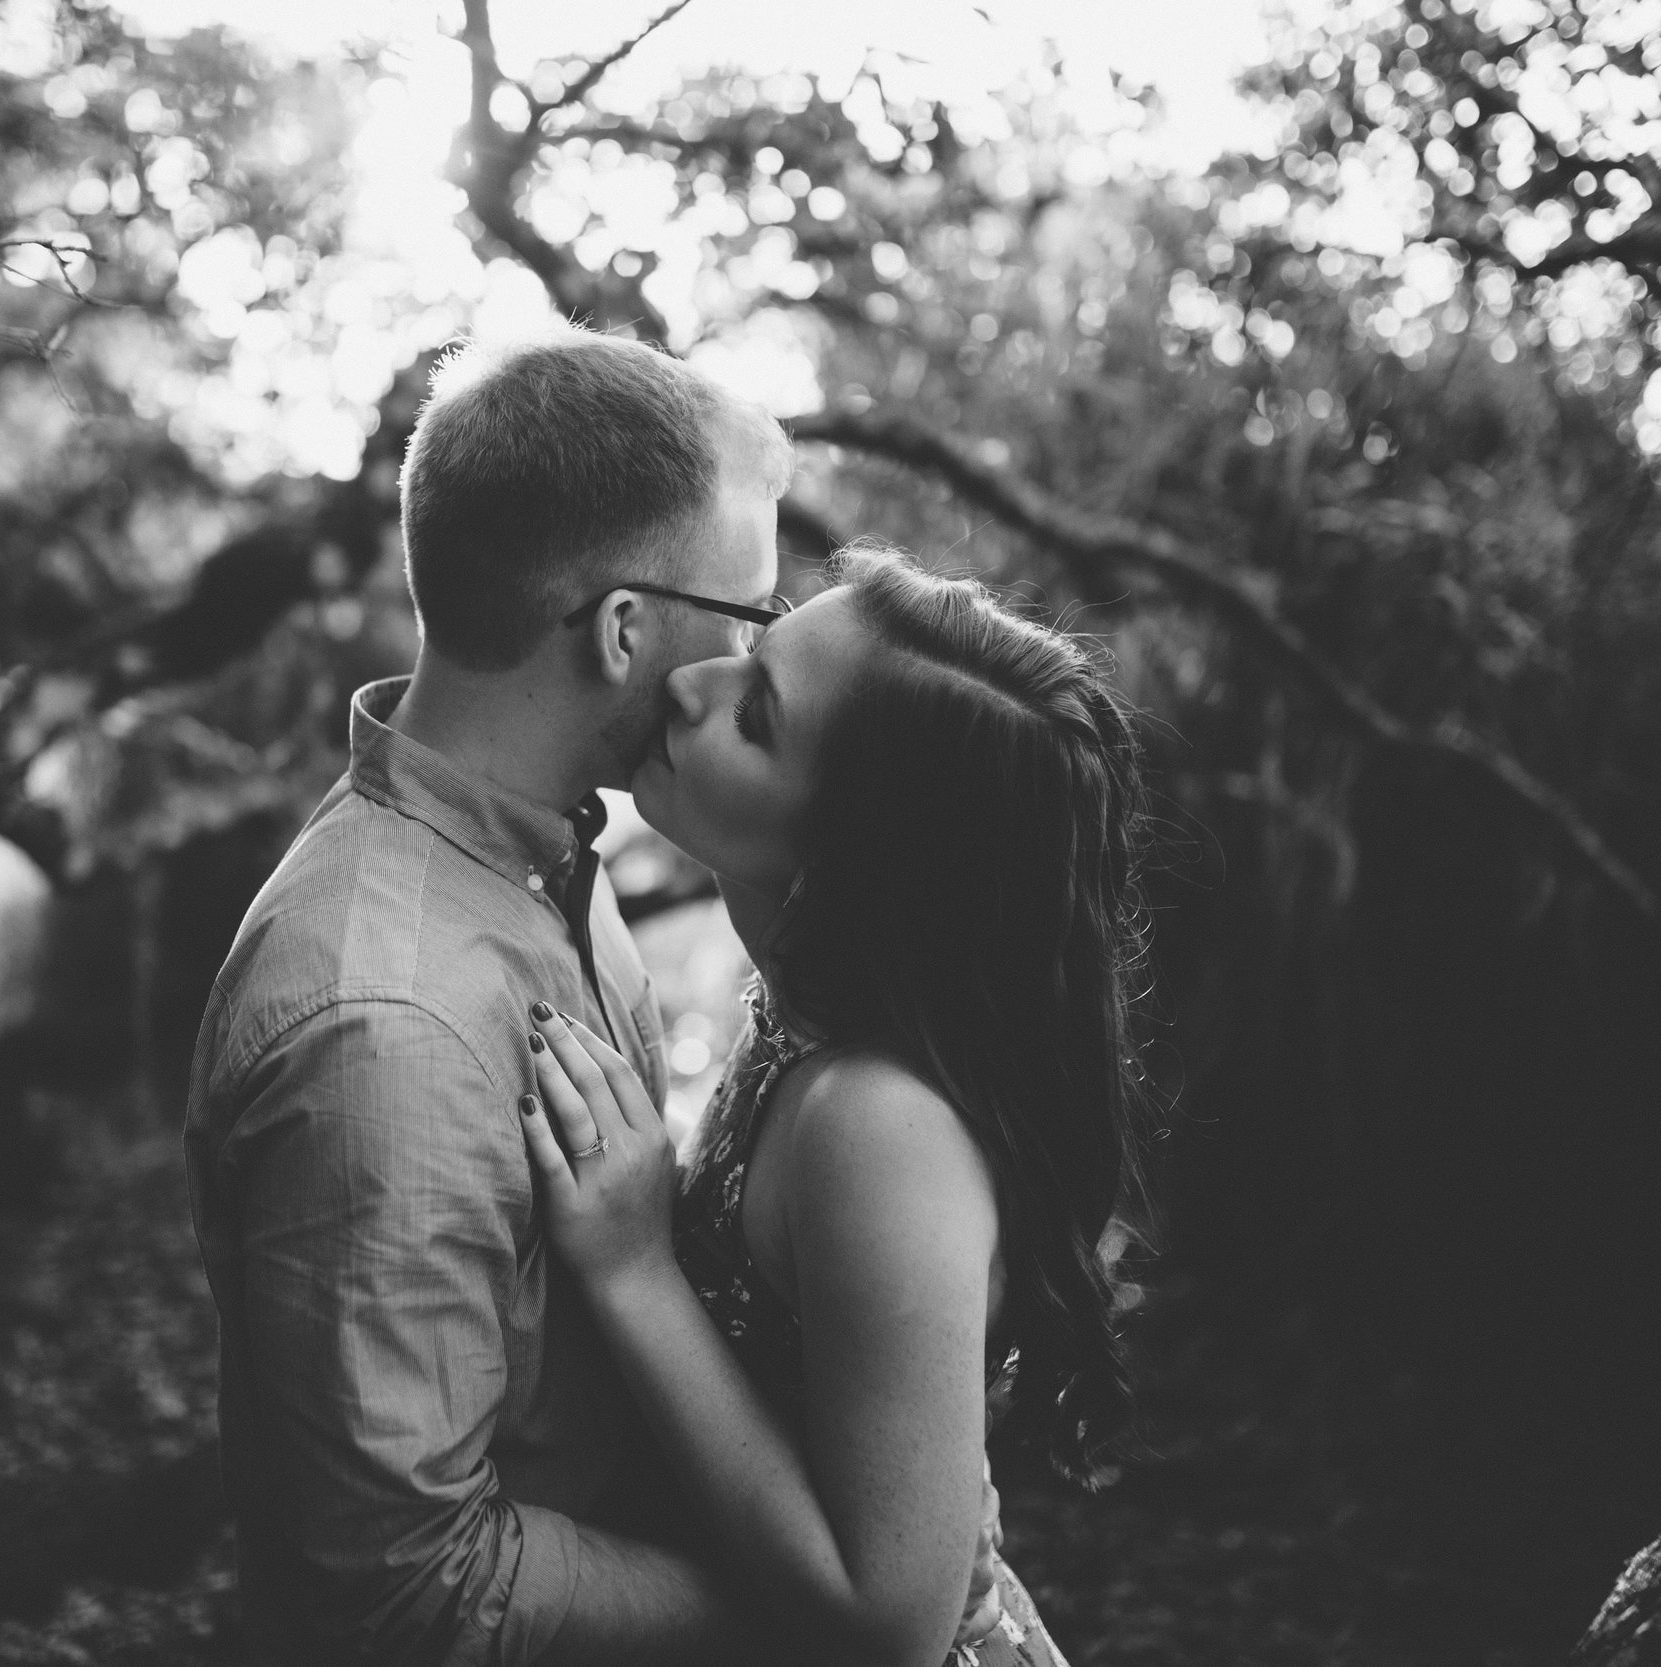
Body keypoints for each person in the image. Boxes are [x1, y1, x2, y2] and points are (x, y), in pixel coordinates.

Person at [181, 323, 808, 1666]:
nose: (758, 661)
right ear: (627, 629)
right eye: (751, 614)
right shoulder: (386, 1023)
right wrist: (807, 1616)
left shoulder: (551, 860)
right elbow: (404, 1590)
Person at [519, 543, 1151, 1667]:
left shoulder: (880, 1125)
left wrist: (634, 1265)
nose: (686, 683)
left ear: (845, 865)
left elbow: (889, 1622)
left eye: (756, 715)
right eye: (757, 645)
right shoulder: (800, 1016)